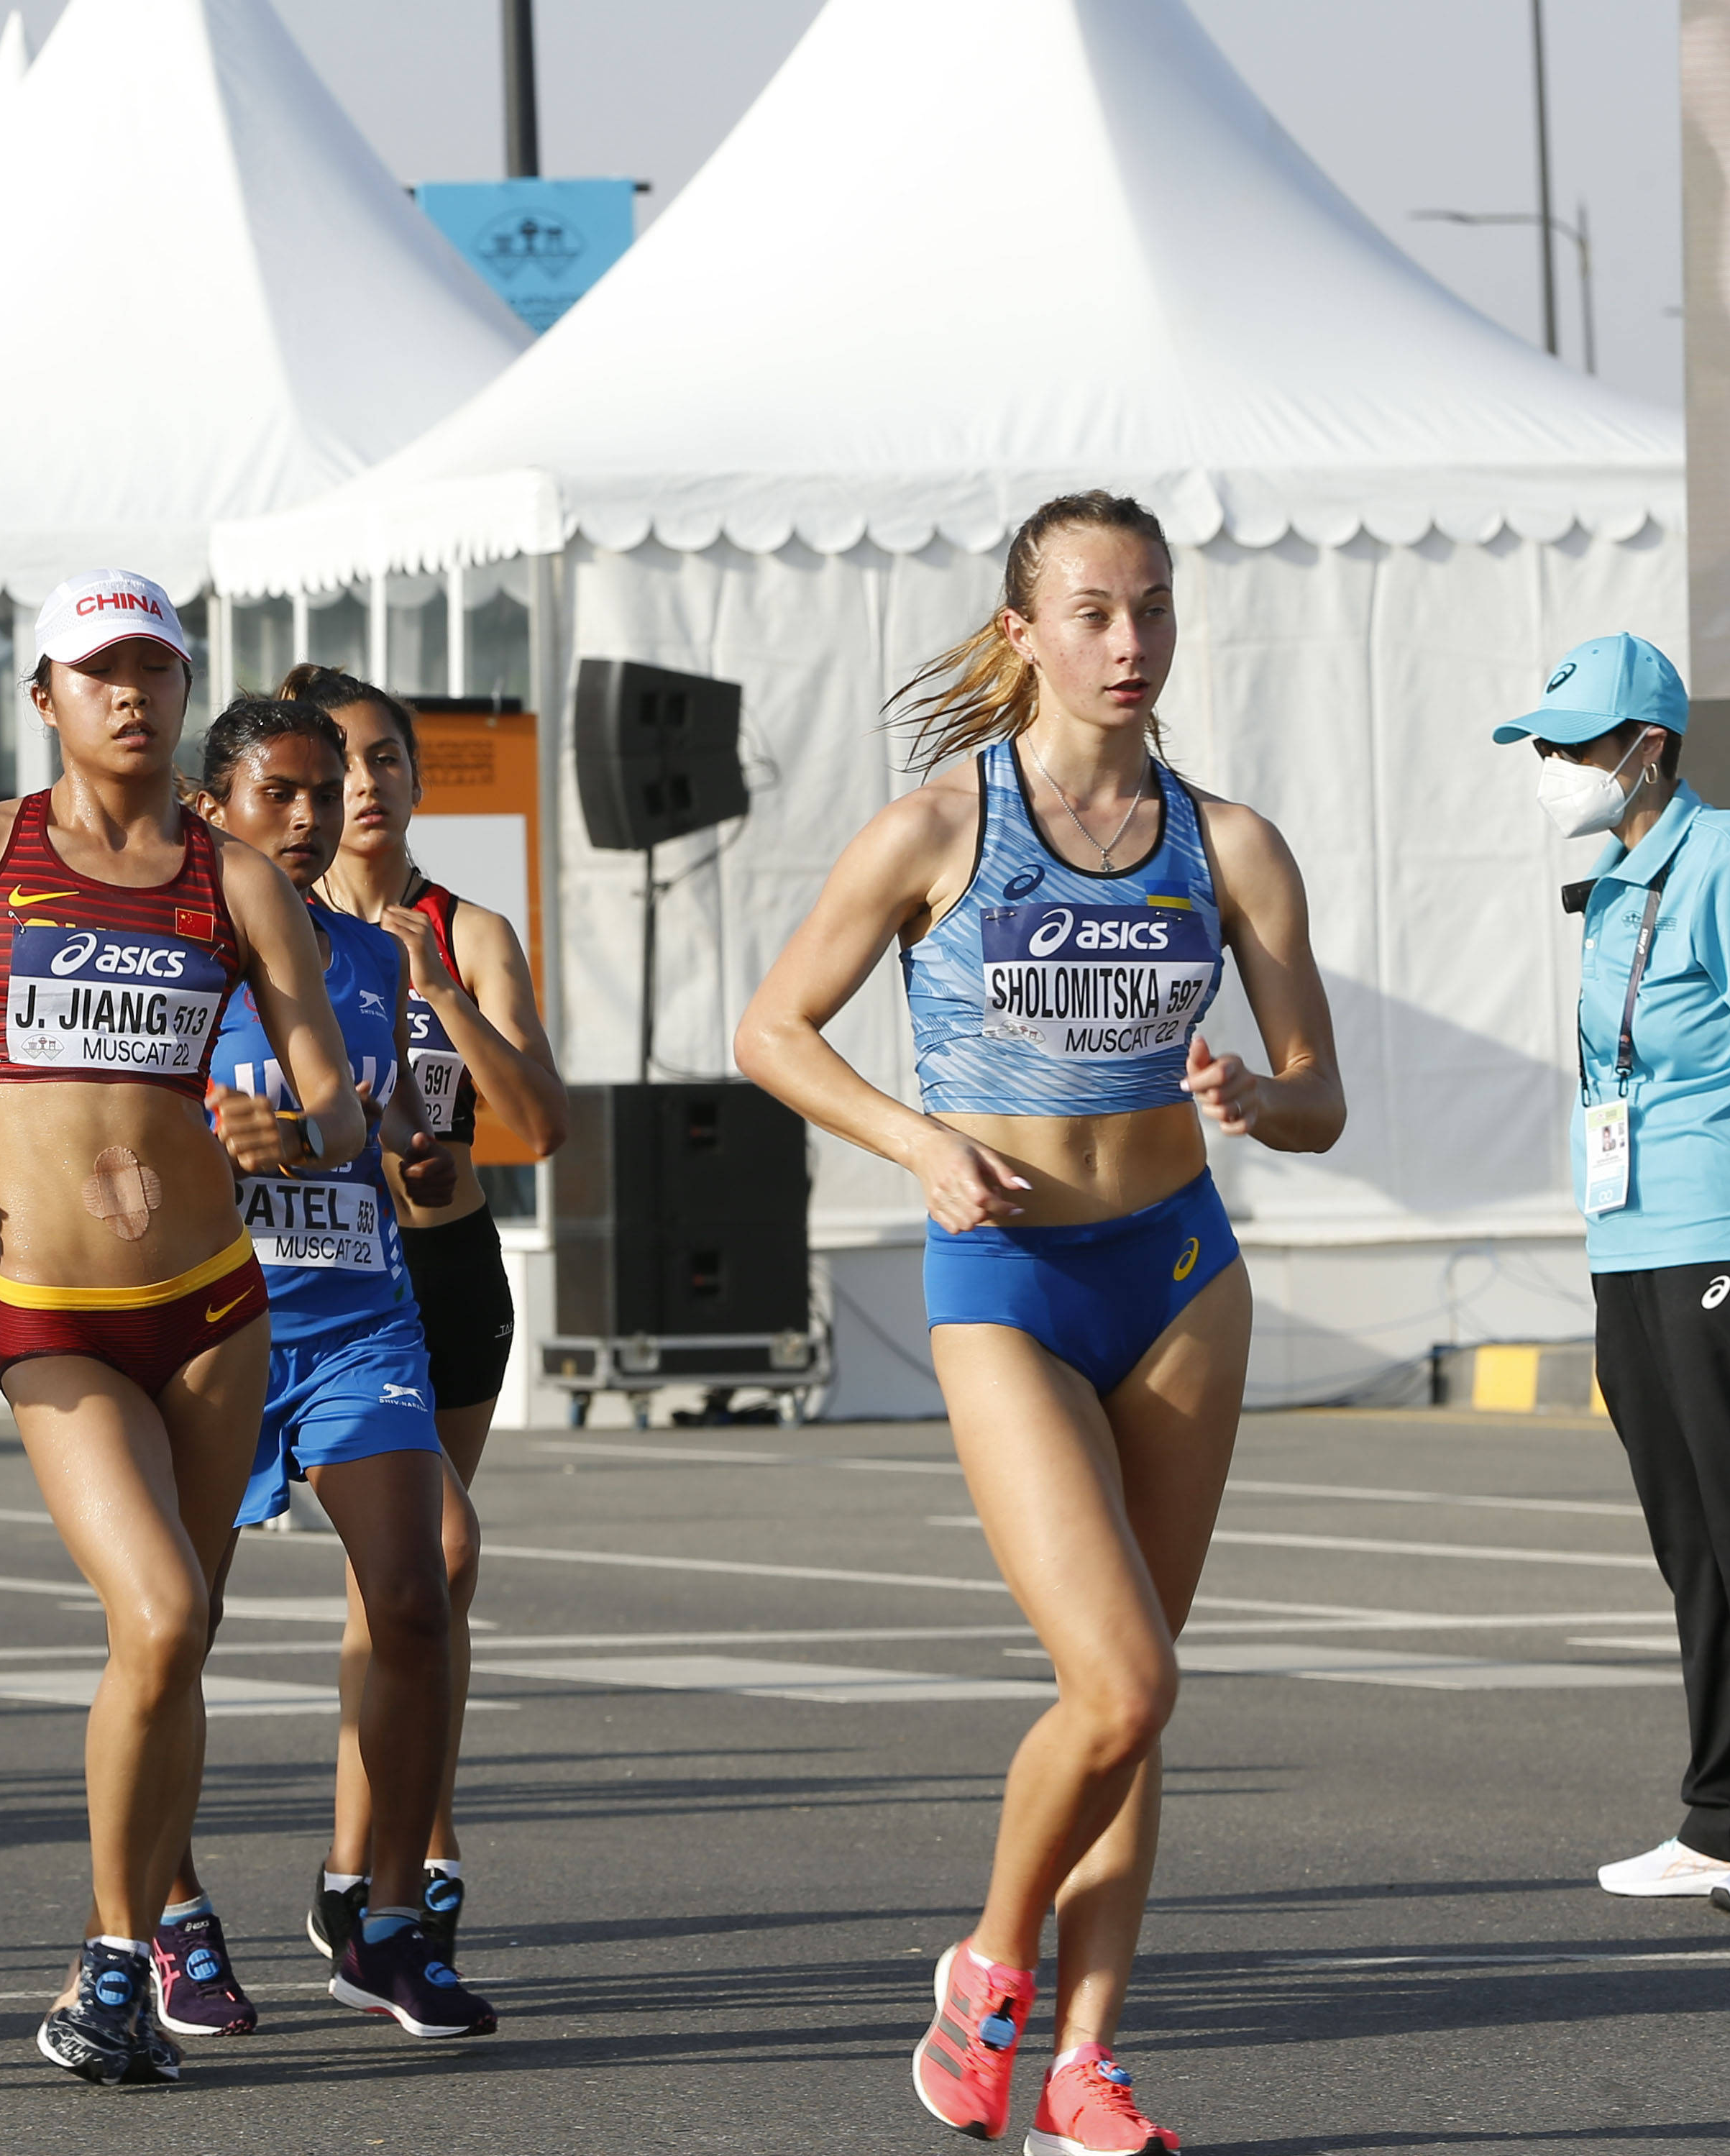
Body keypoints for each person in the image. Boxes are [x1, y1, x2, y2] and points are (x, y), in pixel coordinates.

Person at [733, 493, 1343, 2155]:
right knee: (1120, 1670)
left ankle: (1084, 2060)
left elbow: (1323, 1098)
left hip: (1174, 1275)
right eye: (1092, 612)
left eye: (1151, 608)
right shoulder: (937, 828)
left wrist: (1254, 1092)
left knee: (1140, 1698)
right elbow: (773, 1030)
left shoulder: (1228, 844)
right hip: (1004, 1281)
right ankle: (988, 1962)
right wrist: (921, 1139)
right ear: (1024, 633)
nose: (1128, 641)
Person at [0, 570, 362, 2086]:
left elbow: (338, 1096)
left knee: (176, 1637)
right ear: (44, 693)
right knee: (163, 1613)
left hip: (211, 1306)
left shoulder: (233, 877)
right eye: (101, 670)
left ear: (185, 690)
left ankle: (145, 1928)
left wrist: (287, 1129)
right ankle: (119, 1947)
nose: (133, 694)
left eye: (157, 670)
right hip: (54, 1309)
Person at [155, 694, 492, 2044]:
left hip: (361, 1318)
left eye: (319, 791)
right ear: (212, 811)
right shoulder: (165, 956)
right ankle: (166, 1918)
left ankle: (389, 1920)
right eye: (274, 795)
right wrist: (208, 1136)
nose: (304, 819)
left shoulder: (376, 956)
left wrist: (417, 1135)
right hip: (207, 1322)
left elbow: (403, 1124)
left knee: (419, 1589)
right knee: (174, 1627)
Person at [1496, 635, 1730, 1918]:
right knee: (1691, 1541)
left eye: (1571, 746)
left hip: (1727, 1227)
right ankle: (1720, 1814)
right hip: (1629, 1236)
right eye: (1546, 747)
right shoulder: (1617, 880)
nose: (1553, 769)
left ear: (1649, 749)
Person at [286, 659, 569, 1975]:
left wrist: (442, 993)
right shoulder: (270, 933)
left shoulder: (470, 930)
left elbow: (541, 1123)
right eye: (339, 764)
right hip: (326, 1287)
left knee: (406, 1579)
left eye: (389, 759)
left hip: (451, 1280)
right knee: (435, 1556)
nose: (366, 785)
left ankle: (359, 1868)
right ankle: (417, 1854)